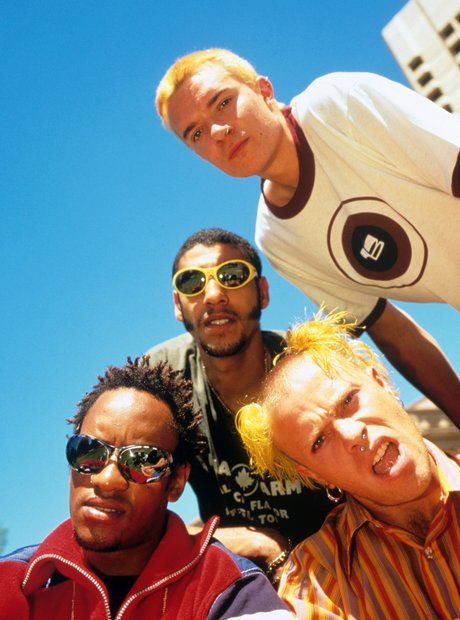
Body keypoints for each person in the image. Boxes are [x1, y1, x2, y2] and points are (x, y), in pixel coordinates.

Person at [155, 48, 460, 428]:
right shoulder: (278, 240)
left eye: (223, 103)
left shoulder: (336, 105)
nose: (217, 132)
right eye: (196, 133)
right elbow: (394, 334)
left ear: (264, 90)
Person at [0, 358, 290, 619]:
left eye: (142, 460)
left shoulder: (232, 589)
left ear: (176, 483)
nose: (107, 479)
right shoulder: (16, 579)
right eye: (89, 452)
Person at [236, 311, 460, 619]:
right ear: (314, 475)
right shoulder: (315, 578)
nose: (353, 435)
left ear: (380, 382)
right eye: (319, 441)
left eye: (348, 402)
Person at [145, 227, 333, 583]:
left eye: (232, 276)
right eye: (192, 283)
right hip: (242, 573)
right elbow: (130, 513)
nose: (214, 295)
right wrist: (250, 541)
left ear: (262, 292)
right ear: (177, 304)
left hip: (345, 559)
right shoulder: (162, 382)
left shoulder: (310, 365)